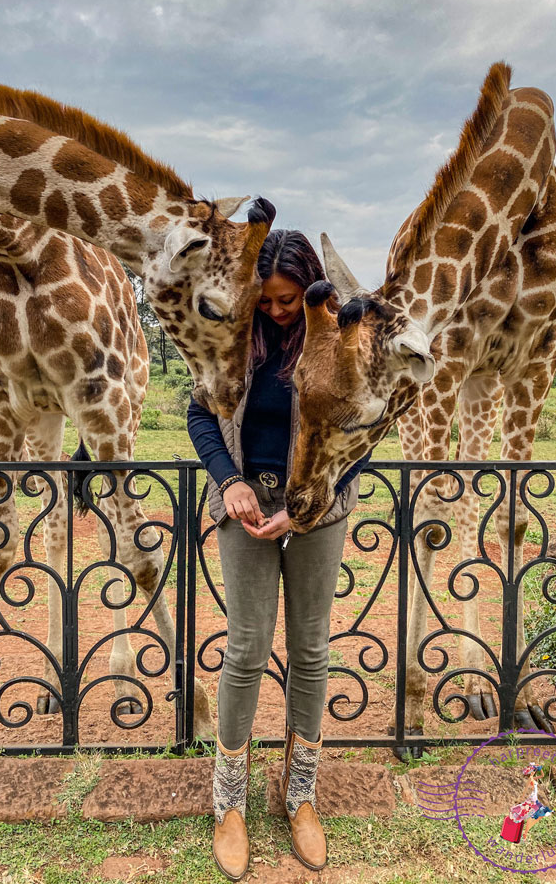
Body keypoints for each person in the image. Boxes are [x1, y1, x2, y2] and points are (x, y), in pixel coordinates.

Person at [187, 222, 370, 880]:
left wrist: (304, 505)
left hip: (316, 510)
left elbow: (362, 429)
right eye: (263, 299)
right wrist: (230, 481)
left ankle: (300, 795)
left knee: (312, 648)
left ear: (310, 289)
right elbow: (200, 415)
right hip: (245, 506)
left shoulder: (340, 339)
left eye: (287, 299)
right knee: (244, 648)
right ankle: (228, 801)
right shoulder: (228, 341)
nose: (274, 310)